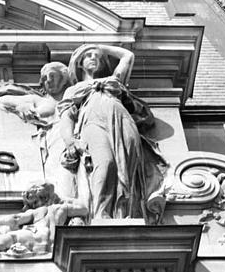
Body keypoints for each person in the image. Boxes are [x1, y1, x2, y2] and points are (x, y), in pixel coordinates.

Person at [58, 44, 167, 221]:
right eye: (88, 56)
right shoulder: (74, 89)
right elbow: (67, 117)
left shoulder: (113, 80)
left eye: (97, 56)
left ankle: (126, 213)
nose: (93, 58)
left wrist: (98, 46)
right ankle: (101, 213)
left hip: (122, 121)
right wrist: (70, 141)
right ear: (79, 63)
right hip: (92, 123)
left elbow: (128, 56)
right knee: (105, 163)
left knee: (127, 167)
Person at [0, 62, 77, 200]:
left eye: (52, 76)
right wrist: (22, 106)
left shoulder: (76, 101)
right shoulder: (39, 100)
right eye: (45, 79)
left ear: (64, 78)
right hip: (53, 141)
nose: (48, 81)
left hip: (72, 140)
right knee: (61, 177)